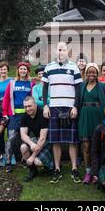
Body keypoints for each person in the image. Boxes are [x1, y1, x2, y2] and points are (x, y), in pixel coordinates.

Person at [42, 42, 83, 184]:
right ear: (56, 51)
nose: (61, 52)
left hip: (69, 107)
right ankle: (57, 169)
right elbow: (45, 88)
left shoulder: (73, 67)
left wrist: (75, 106)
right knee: (56, 140)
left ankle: (74, 168)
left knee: (73, 140)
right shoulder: (49, 67)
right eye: (59, 49)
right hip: (54, 107)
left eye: (63, 49)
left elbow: (78, 89)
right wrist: (46, 105)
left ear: (67, 52)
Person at [78, 63, 105, 184]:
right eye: (89, 72)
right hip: (85, 117)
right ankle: (88, 172)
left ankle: (97, 171)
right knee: (86, 146)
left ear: (97, 74)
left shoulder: (103, 86)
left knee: (99, 146)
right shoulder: (82, 85)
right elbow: (77, 101)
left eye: (94, 72)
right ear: (86, 73)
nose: (91, 74)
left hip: (99, 117)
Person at [2, 61, 35, 173]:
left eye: (25, 69)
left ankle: (26, 160)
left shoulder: (31, 83)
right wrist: (5, 113)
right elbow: (6, 99)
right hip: (14, 115)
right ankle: (8, 161)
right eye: (21, 69)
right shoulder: (12, 83)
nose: (23, 71)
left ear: (28, 71)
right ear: (18, 70)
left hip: (27, 115)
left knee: (27, 138)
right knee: (11, 139)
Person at [20, 96, 54, 182]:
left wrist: (32, 156)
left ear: (35, 105)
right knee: (23, 147)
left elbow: (42, 138)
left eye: (29, 106)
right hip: (35, 139)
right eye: (25, 106)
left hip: (46, 141)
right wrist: (31, 144)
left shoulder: (42, 114)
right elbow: (23, 135)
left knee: (37, 161)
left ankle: (50, 167)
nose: (27, 109)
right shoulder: (25, 116)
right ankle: (33, 171)